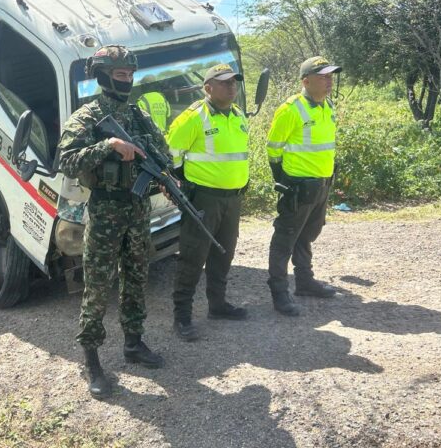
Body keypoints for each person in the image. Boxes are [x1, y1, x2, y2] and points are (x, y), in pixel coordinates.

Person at [57, 45, 169, 400]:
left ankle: (133, 343)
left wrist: (165, 174)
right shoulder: (86, 117)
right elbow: (66, 161)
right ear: (104, 76)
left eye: (130, 74)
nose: (128, 80)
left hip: (137, 210)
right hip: (105, 212)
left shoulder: (138, 115)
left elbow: (162, 153)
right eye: (121, 74)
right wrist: (108, 146)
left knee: (136, 278)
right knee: (98, 286)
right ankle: (92, 359)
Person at [165, 64, 250, 342]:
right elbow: (171, 154)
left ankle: (218, 305)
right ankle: (182, 317)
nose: (231, 87)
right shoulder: (193, 117)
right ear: (208, 88)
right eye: (224, 82)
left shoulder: (237, 115)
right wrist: (184, 185)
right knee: (193, 256)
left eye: (234, 82)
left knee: (223, 254)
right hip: (204, 199)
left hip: (232, 199)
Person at [265, 56, 342, 316]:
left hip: (321, 184)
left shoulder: (326, 105)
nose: (329, 80)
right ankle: (279, 293)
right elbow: (273, 148)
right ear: (306, 81)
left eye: (331, 76)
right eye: (323, 76)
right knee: (285, 239)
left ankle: (305, 281)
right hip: (298, 186)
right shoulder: (291, 109)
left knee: (307, 235)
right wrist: (282, 180)